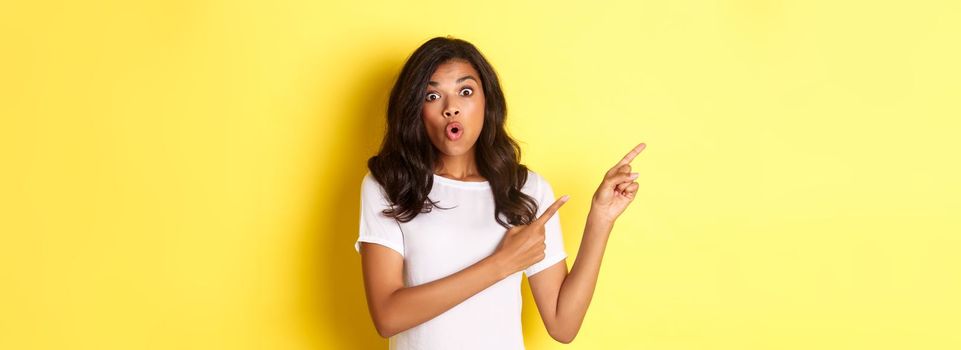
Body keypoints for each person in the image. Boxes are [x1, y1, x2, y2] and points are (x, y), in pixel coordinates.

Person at [354, 35, 646, 349]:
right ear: (416, 109)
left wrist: (601, 220)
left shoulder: (526, 190)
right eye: (432, 96)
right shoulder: (389, 185)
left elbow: (563, 324)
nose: (451, 108)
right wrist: (502, 264)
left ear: (486, 101)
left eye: (465, 91)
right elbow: (387, 316)